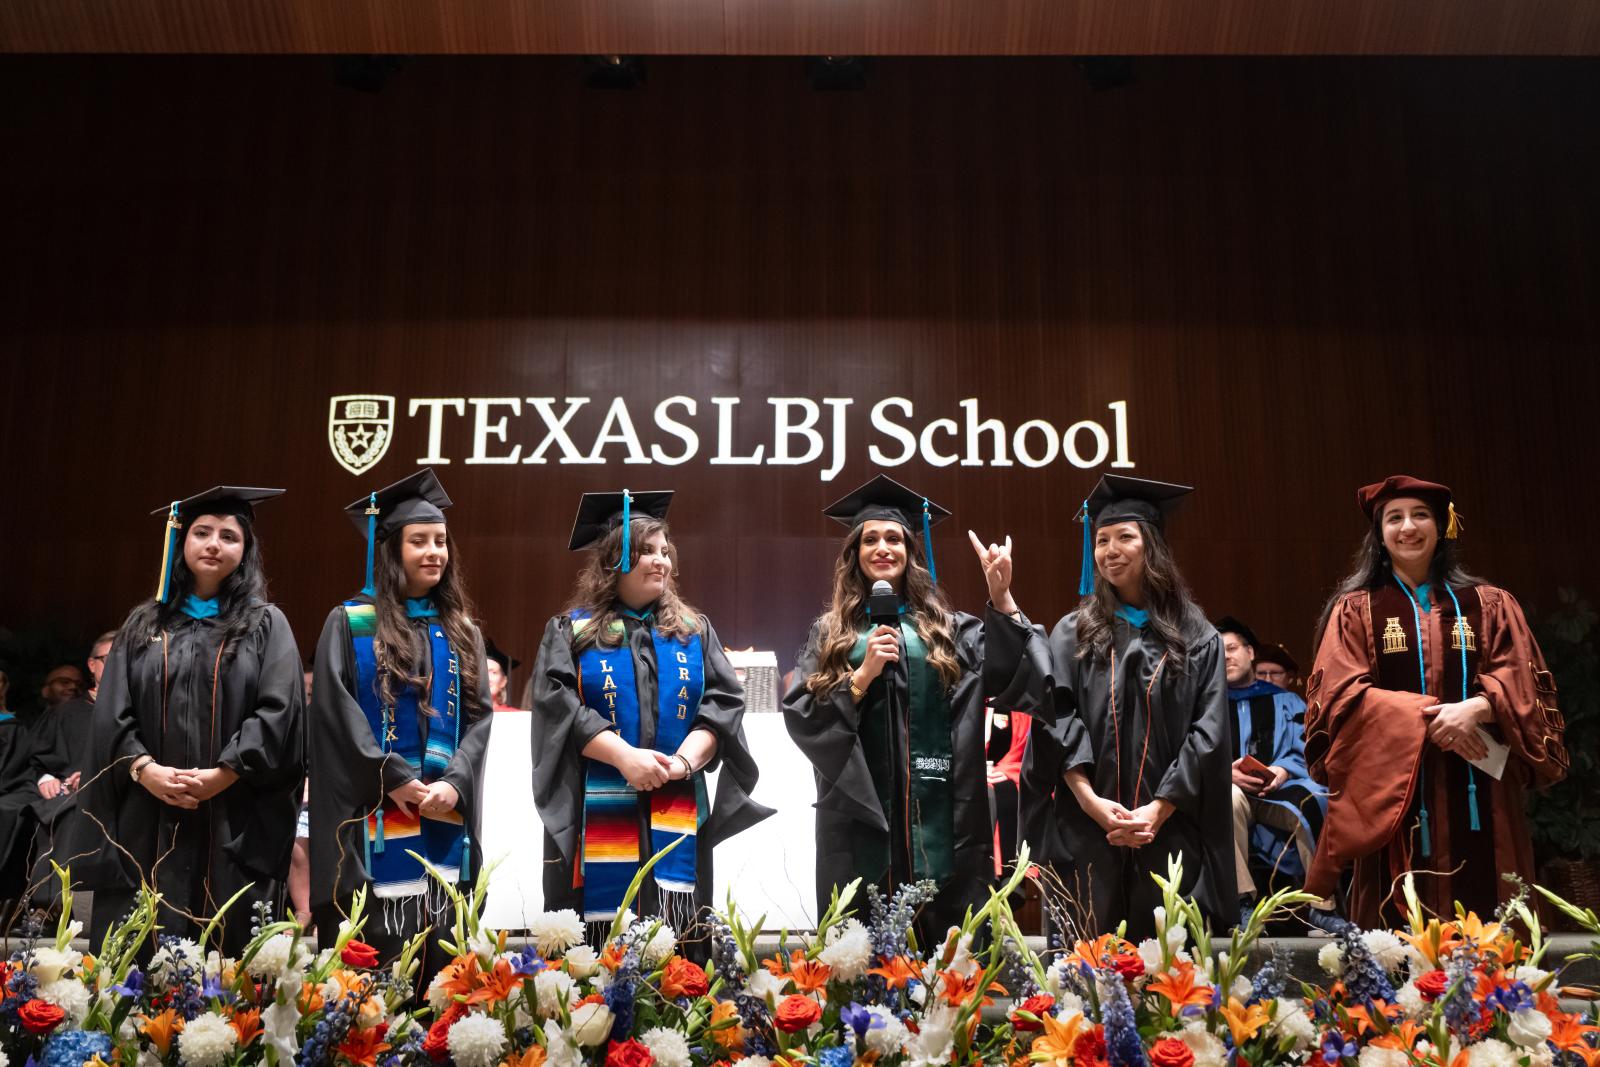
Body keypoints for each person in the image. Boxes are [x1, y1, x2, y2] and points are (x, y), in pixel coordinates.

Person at [783, 474, 1040, 938]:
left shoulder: (948, 631)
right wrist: (860, 678)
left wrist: (1001, 597)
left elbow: (1013, 672)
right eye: (871, 539)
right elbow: (803, 714)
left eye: (894, 538)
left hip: (945, 819)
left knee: (945, 966)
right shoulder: (831, 634)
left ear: (910, 552)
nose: (883, 547)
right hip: (861, 822)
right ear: (855, 555)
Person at [1304, 475, 1568, 927]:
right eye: (1395, 518)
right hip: (1394, 786)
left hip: (1481, 779)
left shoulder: (1489, 604)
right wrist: (1425, 718)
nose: (1408, 527)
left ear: (1442, 525)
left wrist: (1479, 708)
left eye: (1420, 515)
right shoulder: (1356, 609)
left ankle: (1495, 995)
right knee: (1397, 936)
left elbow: (1522, 675)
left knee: (1494, 918)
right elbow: (1339, 697)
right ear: (1380, 534)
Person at [530, 490, 770, 943]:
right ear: (612, 560)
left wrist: (681, 763)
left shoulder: (693, 632)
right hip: (596, 806)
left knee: (679, 933)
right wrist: (624, 757)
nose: (661, 562)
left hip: (677, 798)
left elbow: (722, 705)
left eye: (665, 551)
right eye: (646, 551)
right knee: (596, 947)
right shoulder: (571, 632)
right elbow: (556, 706)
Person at [79, 487, 304, 951]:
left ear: (245, 552)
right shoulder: (144, 624)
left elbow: (277, 710)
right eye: (202, 532)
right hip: (148, 815)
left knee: (226, 960)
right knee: (139, 958)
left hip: (231, 812)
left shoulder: (265, 624)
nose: (214, 544)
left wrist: (225, 773)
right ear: (181, 542)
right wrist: (145, 770)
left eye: (229, 535)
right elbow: (112, 711)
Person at [1020, 475, 1234, 939]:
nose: (1110, 550)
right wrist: (1090, 801)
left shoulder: (1198, 636)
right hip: (1087, 827)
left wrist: (1157, 810)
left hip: (1172, 829)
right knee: (1086, 972)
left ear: (1150, 545)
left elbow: (1208, 731)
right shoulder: (1072, 632)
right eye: (1101, 540)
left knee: (1167, 975)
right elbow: (1056, 719)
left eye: (1124, 537)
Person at [309, 469, 492, 977]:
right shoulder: (348, 623)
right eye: (419, 541)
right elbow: (334, 713)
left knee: (442, 958)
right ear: (391, 550)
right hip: (373, 823)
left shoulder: (462, 631)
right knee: (379, 960)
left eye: (440, 541)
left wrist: (455, 783)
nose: (434, 551)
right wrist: (392, 779)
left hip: (443, 811)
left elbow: (479, 719)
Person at [1214, 616, 1324, 922]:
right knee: (1228, 798)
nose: (1226, 656)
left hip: (1280, 789)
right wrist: (1224, 773)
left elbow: (1307, 747)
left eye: (1232, 648)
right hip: (1234, 792)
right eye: (1217, 651)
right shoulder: (1206, 707)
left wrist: (1283, 771)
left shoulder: (1286, 700)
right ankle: (1242, 902)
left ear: (1250, 653)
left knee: (1314, 800)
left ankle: (1321, 904)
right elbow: (1194, 754)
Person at [484, 638, 520, 711]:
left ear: (503, 681)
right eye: (484, 672)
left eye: (494, 672)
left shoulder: (515, 716)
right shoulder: (462, 716)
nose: (488, 678)